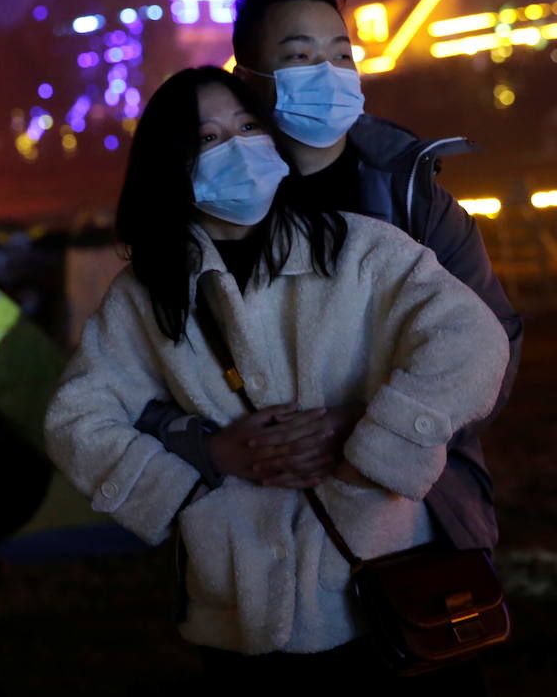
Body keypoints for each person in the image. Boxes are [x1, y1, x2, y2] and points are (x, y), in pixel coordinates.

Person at [45, 67, 508, 688]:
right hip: (243, 614)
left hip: (384, 585)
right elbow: (79, 419)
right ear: (171, 165)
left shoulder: (359, 248)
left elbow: (470, 340)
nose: (236, 146)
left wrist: (373, 444)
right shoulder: (146, 295)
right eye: (208, 139)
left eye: (247, 126)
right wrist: (208, 458)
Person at [137, 0, 522, 559]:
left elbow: (493, 346)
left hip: (416, 526)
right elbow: (139, 385)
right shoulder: (210, 210)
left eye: (341, 54)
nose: (329, 73)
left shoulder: (412, 201)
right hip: (253, 553)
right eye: (300, 56)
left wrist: (374, 427)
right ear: (250, 78)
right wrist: (219, 449)